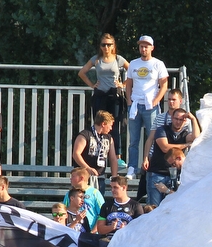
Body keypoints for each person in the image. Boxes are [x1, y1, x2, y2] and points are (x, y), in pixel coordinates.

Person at [78, 33, 129, 160]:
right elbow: (82, 72)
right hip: (100, 94)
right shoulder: (96, 59)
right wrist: (92, 85)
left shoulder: (118, 59)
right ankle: (98, 154)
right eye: (103, 45)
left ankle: (117, 156)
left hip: (114, 95)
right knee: (99, 124)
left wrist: (122, 84)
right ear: (100, 46)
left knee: (115, 125)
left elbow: (133, 71)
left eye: (109, 44)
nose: (106, 47)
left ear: (113, 46)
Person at [124, 35, 168, 178]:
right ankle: (132, 168)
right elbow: (128, 84)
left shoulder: (158, 64)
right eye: (141, 46)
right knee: (134, 139)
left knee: (153, 137)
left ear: (152, 48)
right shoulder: (133, 64)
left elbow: (164, 85)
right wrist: (129, 102)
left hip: (150, 105)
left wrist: (156, 101)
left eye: (146, 46)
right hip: (136, 104)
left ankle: (150, 164)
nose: (143, 48)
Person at [72, 110, 119, 182]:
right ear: (103, 124)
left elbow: (113, 158)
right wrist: (87, 168)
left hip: (99, 177)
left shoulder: (109, 138)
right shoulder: (85, 135)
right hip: (83, 177)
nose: (111, 128)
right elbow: (76, 154)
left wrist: (114, 177)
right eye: (110, 125)